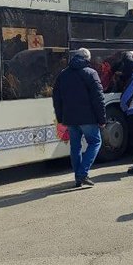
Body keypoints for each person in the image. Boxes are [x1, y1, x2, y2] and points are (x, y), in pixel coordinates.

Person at [52, 48, 106, 188]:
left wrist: (60, 117)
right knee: (95, 142)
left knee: (75, 147)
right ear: (87, 59)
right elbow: (98, 99)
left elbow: (56, 98)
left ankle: (78, 177)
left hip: (70, 118)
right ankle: (82, 173)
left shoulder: (63, 74)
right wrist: (102, 119)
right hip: (88, 118)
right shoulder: (91, 73)